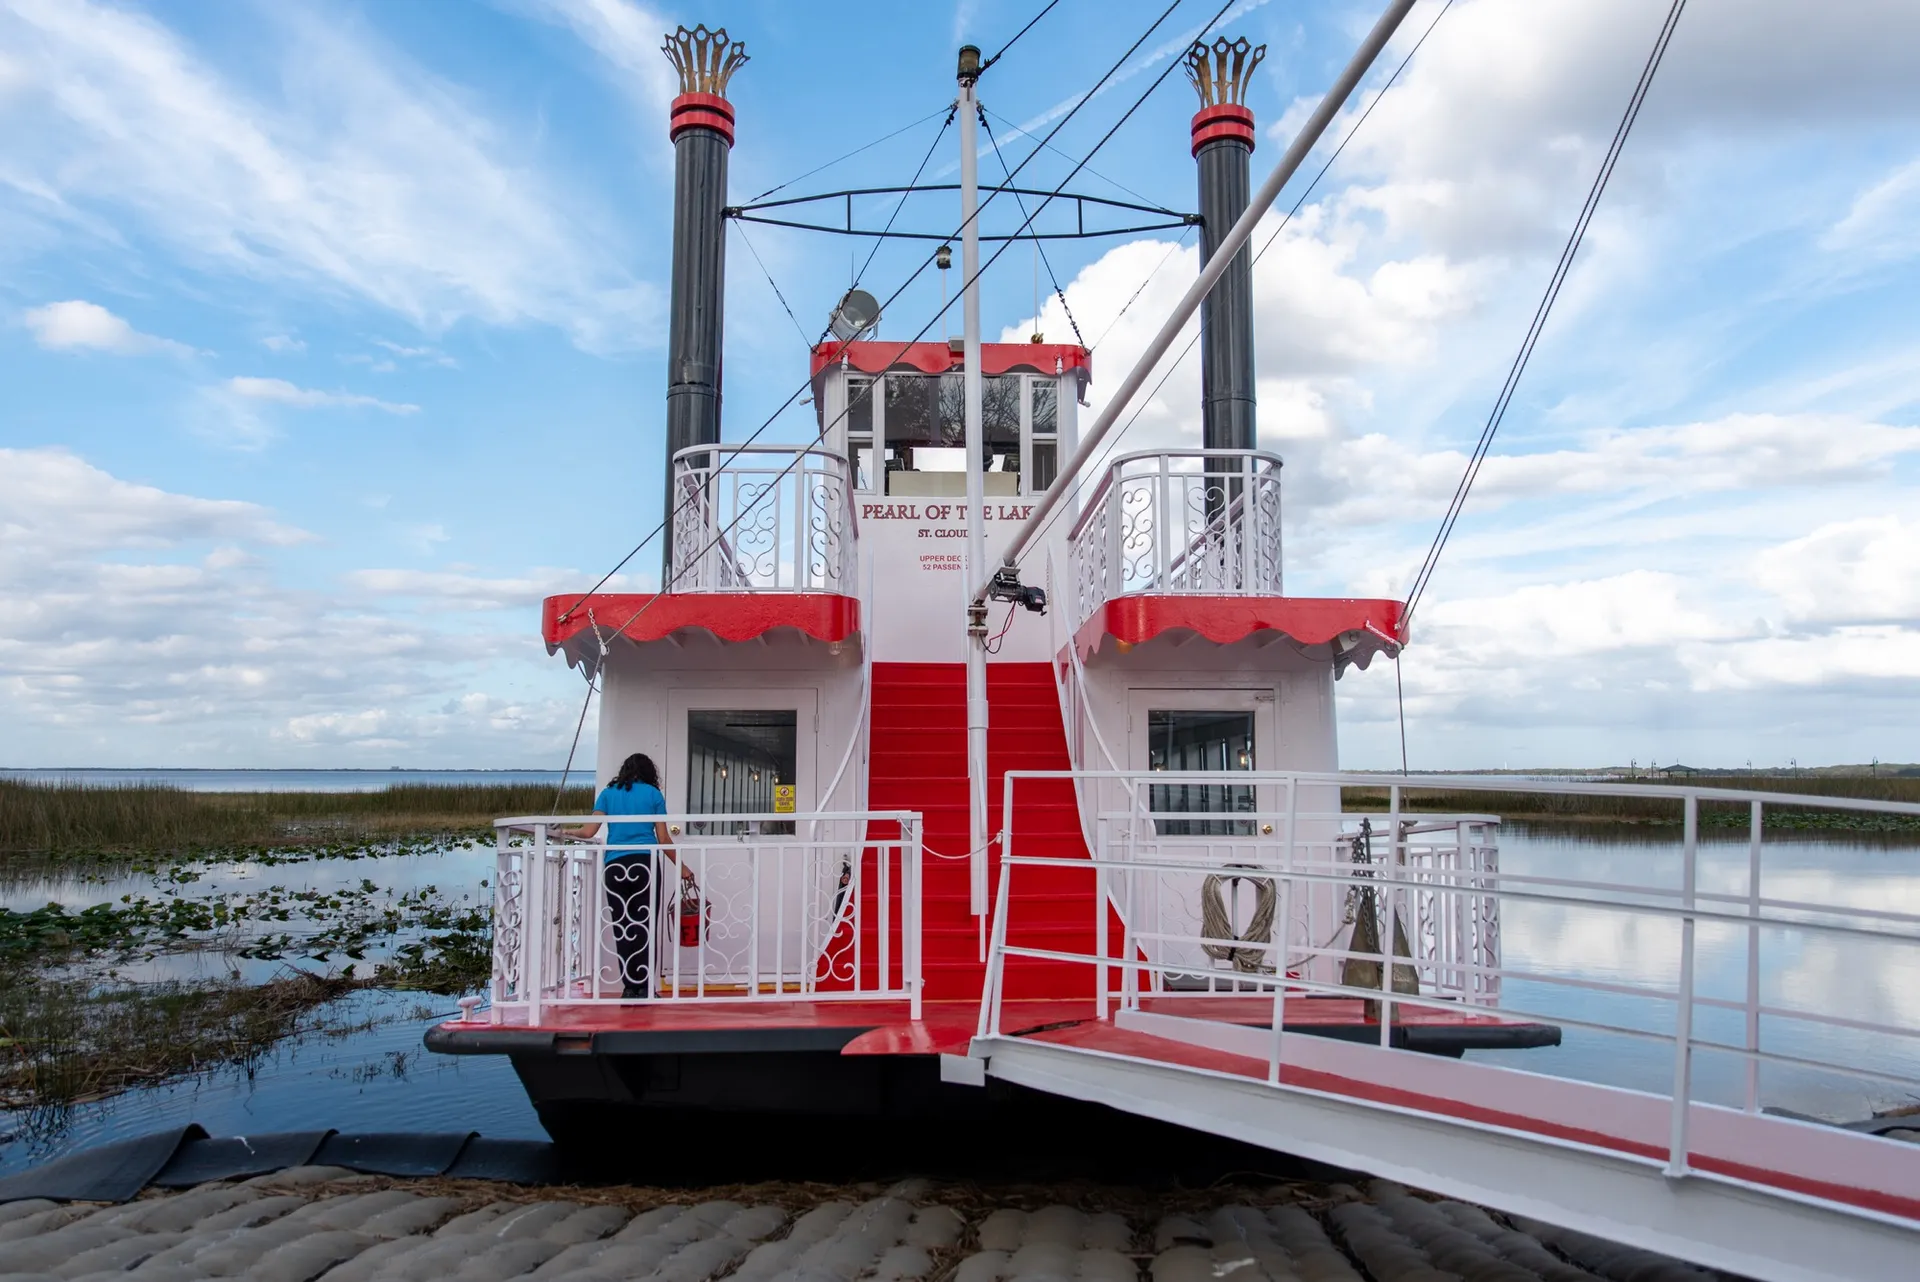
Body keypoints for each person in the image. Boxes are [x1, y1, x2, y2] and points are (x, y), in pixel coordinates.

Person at [563, 753, 692, 999]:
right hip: (644, 864)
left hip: (615, 866)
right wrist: (682, 867)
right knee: (645, 925)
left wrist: (566, 831)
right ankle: (645, 987)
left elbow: (589, 831)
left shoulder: (608, 794)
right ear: (649, 773)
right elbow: (663, 839)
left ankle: (629, 987)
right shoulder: (653, 794)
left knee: (622, 926)